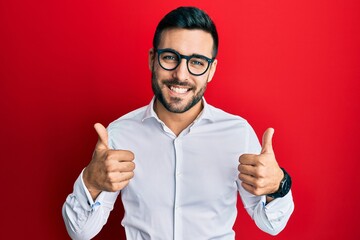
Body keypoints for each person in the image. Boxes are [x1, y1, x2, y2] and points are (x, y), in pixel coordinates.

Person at [62, 6, 294, 240]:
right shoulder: (120, 134)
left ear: (211, 69)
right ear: (153, 59)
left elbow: (272, 224)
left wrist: (279, 184)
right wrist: (90, 182)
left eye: (197, 62)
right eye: (170, 57)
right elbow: (80, 232)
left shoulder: (238, 133)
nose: (181, 75)